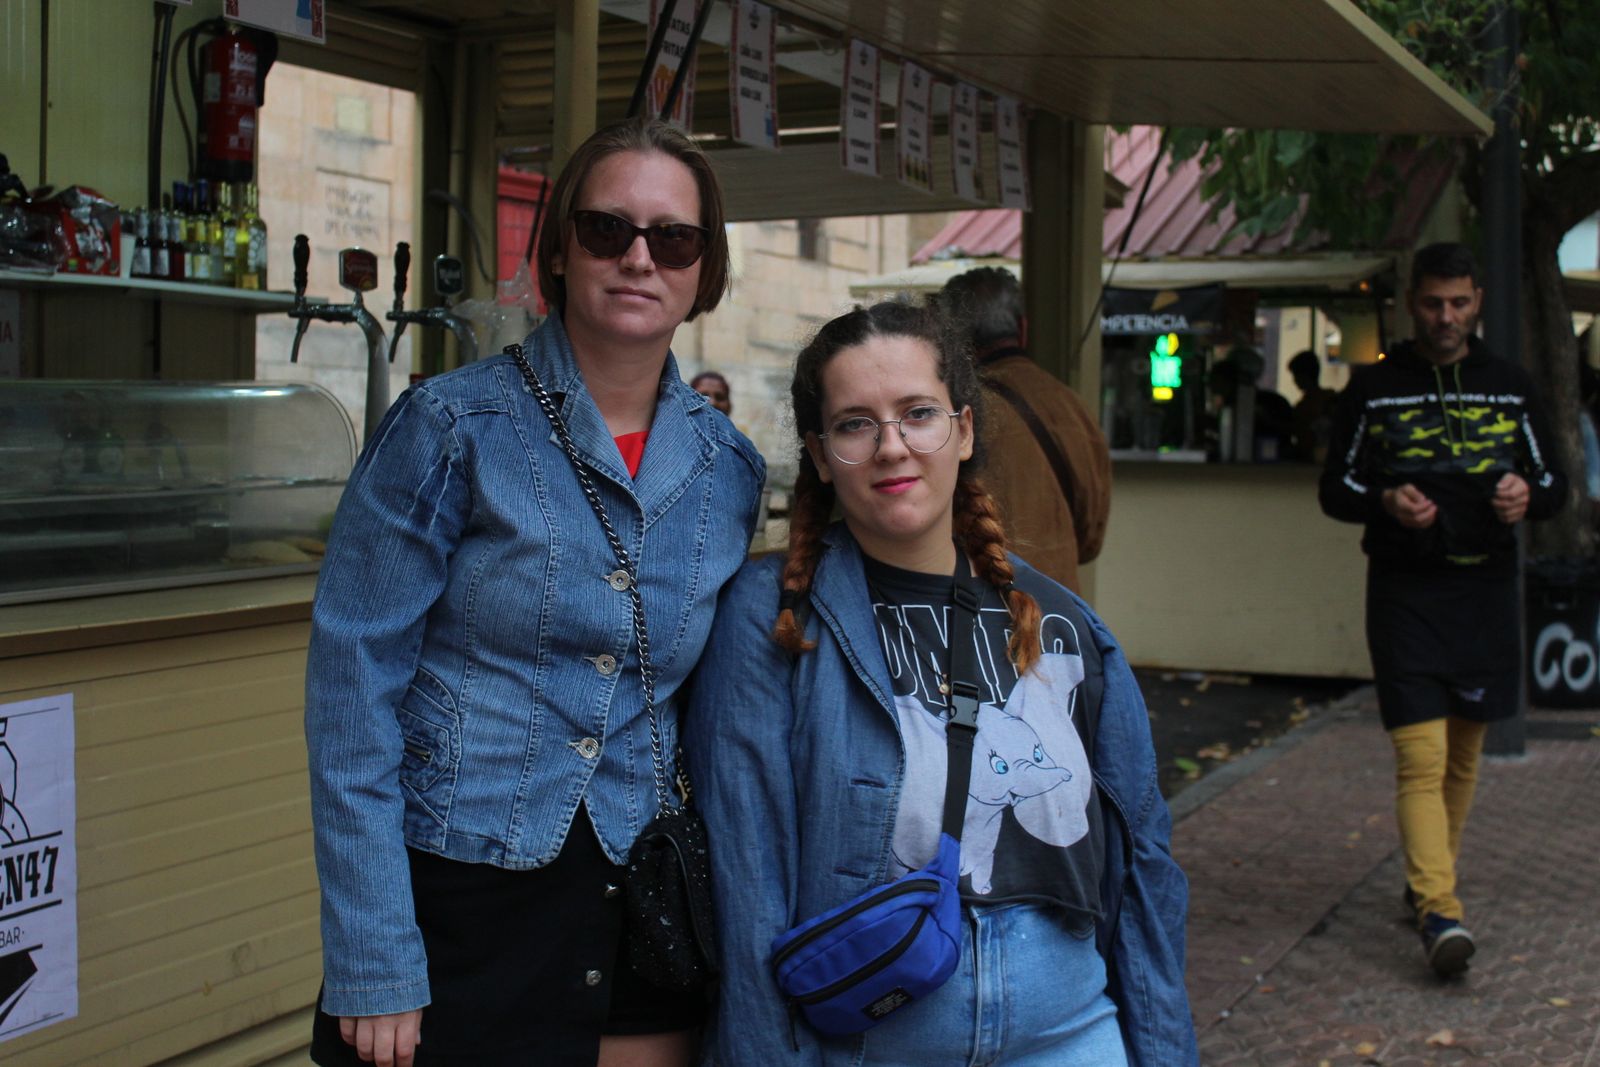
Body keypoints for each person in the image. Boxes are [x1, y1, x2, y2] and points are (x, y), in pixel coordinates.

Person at [304, 117, 765, 1067]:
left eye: (672, 238)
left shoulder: (730, 470)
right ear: (556, 246)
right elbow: (351, 695)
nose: (639, 258)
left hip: (643, 897)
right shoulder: (449, 426)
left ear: (703, 268)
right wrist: (374, 955)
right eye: (608, 230)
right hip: (463, 893)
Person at [685, 301, 1196, 1066]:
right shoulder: (776, 619)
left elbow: (1144, 866)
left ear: (962, 429)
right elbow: (748, 884)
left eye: (917, 413)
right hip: (874, 1037)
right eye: (856, 424)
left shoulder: (1063, 624)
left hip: (1068, 1030)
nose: (893, 446)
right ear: (822, 455)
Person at [1319, 241, 1565, 978]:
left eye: (1458, 302)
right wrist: (1386, 500)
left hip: (1486, 592)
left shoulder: (1513, 387)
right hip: (1404, 595)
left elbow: (1555, 486)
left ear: (1478, 299)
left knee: (1463, 754)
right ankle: (1440, 910)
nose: (1446, 316)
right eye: (1433, 303)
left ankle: (1427, 882)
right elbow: (1335, 488)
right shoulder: (1374, 388)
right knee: (1420, 756)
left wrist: (1528, 495)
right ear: (1411, 303)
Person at [936, 266, 1111, 593]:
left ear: (952, 339)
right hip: (1062, 616)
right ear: (1022, 328)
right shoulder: (1073, 407)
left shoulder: (950, 417)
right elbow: (1090, 540)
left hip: (975, 613)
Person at [1207, 345, 1294, 462]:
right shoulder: (1228, 408)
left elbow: (1288, 431)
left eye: (1215, 380)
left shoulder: (1270, 402)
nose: (1211, 386)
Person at [1287, 349, 1338, 464]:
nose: (1294, 381)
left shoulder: (1325, 402)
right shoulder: (1325, 399)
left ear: (1303, 375)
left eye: (1295, 375)